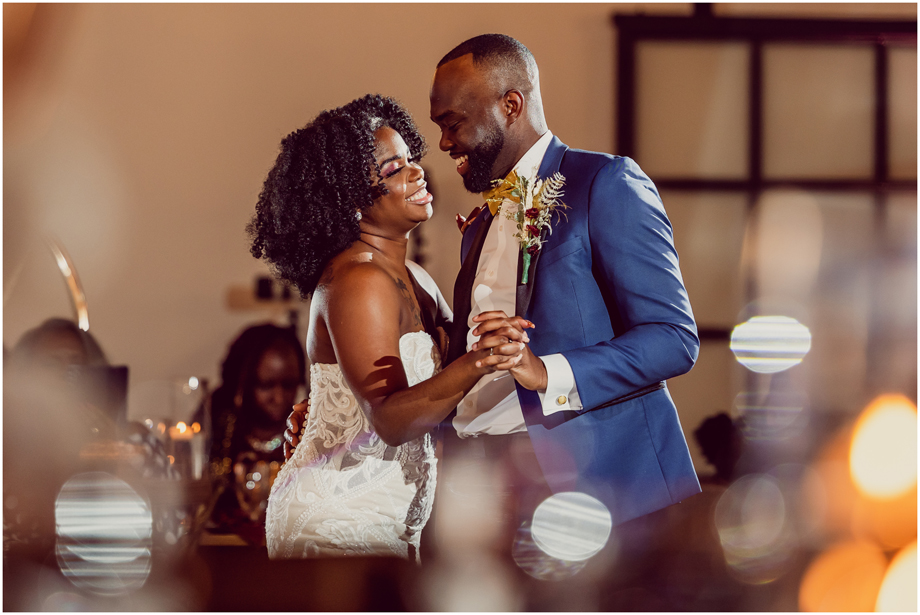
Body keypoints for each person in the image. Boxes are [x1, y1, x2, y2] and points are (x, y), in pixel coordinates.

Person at [427, 33, 702, 539]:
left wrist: (545, 372)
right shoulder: (479, 224)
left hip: (594, 484)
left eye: (453, 123)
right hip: (481, 487)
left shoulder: (606, 182)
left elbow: (674, 338)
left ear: (511, 105)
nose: (444, 142)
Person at [249, 94, 526, 561]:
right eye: (394, 169)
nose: (417, 172)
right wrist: (482, 360)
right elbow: (390, 419)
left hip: (387, 516)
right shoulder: (358, 281)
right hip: (336, 516)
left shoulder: (415, 277)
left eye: (412, 159)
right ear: (350, 201)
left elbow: (452, 363)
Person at [202, 323, 306, 544]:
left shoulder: (308, 429)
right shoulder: (217, 422)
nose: (279, 398)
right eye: (266, 385)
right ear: (243, 382)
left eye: (289, 385)